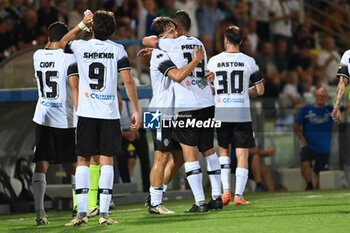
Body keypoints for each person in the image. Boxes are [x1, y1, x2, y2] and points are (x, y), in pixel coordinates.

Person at [59, 10, 140, 226]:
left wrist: (81, 25)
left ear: (92, 28)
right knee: (106, 161)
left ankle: (82, 213)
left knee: (83, 161)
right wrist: (135, 109)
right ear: (112, 29)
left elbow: (61, 42)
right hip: (109, 114)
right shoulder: (118, 50)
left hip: (86, 113)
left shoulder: (80, 46)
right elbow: (129, 82)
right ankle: (104, 214)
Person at [142, 11, 222, 213]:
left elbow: (186, 73)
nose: (173, 34)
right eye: (169, 31)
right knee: (161, 157)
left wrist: (204, 75)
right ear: (161, 35)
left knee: (178, 159)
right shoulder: (161, 53)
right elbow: (177, 75)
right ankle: (154, 200)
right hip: (158, 111)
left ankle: (156, 194)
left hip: (176, 110)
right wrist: (196, 63)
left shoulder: (170, 49)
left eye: (173, 29)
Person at [207, 25, 264, 205]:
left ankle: (225, 192)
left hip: (221, 110)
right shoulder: (250, 61)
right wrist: (243, 92)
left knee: (223, 151)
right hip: (241, 112)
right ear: (241, 41)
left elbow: (208, 90)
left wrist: (221, 92)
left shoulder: (213, 61)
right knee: (242, 154)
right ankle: (239, 195)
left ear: (225, 40)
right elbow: (261, 90)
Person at [31, 21, 78, 225]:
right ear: (66, 39)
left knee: (41, 162)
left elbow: (50, 48)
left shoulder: (37, 55)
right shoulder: (69, 59)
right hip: (66, 118)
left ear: (48, 38)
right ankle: (79, 207)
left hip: (43, 117)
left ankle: (40, 212)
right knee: (77, 163)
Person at [295, 88, 343, 190]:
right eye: (319, 96)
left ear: (327, 98)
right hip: (308, 145)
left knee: (321, 173)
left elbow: (345, 107)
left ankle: (316, 189)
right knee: (305, 163)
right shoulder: (306, 109)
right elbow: (296, 125)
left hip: (323, 147)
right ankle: (309, 185)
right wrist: (302, 139)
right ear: (315, 96)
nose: (320, 98)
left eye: (323, 96)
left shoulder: (330, 109)